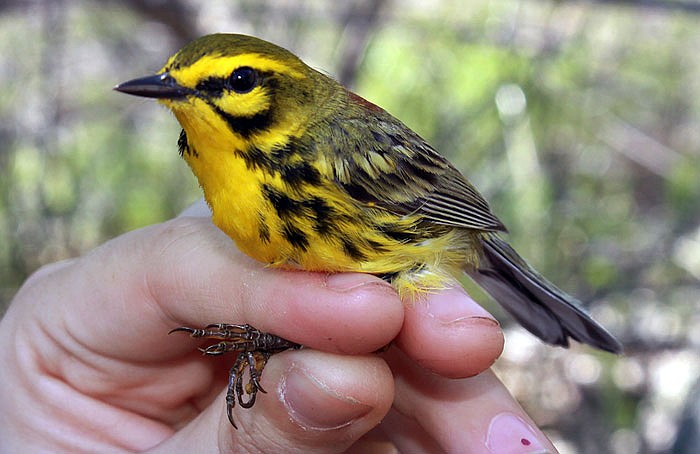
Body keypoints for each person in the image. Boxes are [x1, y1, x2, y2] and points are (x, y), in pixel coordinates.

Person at [0, 200, 557, 453]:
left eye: (235, 81)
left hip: (423, 239)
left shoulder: (323, 150)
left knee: (362, 317)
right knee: (347, 322)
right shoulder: (232, 189)